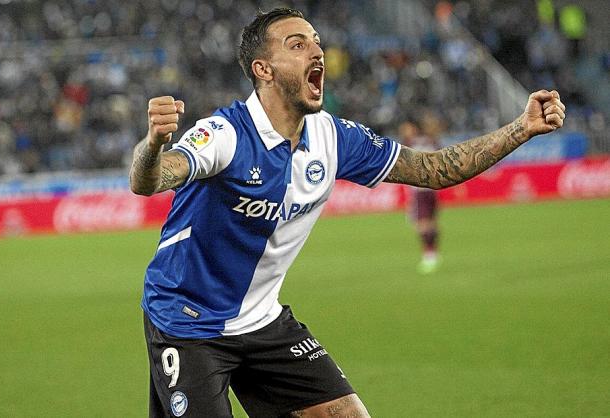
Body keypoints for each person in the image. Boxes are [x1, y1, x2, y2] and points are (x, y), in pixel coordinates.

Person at [129, 8, 565, 417]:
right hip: (188, 321)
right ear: (263, 70)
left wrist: (521, 128)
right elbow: (148, 180)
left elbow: (434, 169)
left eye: (316, 42)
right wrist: (153, 145)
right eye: (297, 45)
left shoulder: (334, 138)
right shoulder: (225, 134)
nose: (317, 51)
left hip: (262, 321)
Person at [398, 118, 441, 274]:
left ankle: (429, 254)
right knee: (431, 222)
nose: (404, 131)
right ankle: (433, 252)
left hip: (419, 191)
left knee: (421, 224)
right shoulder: (430, 140)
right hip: (432, 189)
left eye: (406, 128)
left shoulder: (410, 144)